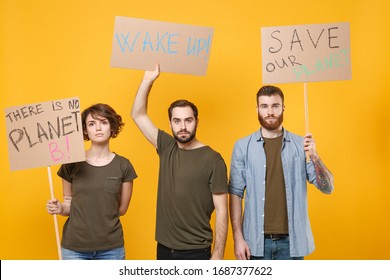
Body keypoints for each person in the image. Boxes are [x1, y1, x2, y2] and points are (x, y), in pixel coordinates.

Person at [131, 64, 228, 260]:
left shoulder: (213, 159)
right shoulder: (167, 146)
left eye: (188, 120)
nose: (183, 126)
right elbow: (138, 115)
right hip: (164, 250)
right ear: (170, 123)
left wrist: (218, 254)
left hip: (197, 252)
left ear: (197, 121)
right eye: (177, 121)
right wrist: (148, 80)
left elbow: (222, 210)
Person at [229, 85, 334, 260]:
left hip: (292, 244)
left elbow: (327, 188)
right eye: (264, 106)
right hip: (255, 243)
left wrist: (314, 156)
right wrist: (238, 238)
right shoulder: (242, 147)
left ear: (283, 108)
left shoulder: (301, 145)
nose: (270, 112)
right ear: (257, 109)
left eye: (275, 106)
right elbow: (235, 193)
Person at [46, 103, 137, 260]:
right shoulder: (71, 162)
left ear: (112, 127)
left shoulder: (124, 165)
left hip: (111, 249)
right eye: (92, 124)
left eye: (104, 122)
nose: (98, 128)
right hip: (74, 248)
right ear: (85, 130)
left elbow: (121, 209)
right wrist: (60, 208)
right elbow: (69, 203)